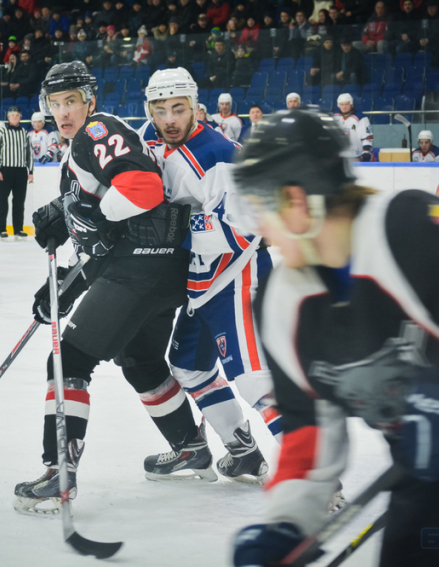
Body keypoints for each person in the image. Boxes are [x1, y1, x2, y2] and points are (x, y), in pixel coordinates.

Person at [229, 109, 439, 567]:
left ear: (295, 199)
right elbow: (308, 423)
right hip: (426, 464)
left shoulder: (412, 226)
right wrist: (287, 523)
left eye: (260, 206)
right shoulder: (279, 299)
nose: (258, 226)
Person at [17, 61, 208, 513]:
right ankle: (190, 447)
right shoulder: (81, 146)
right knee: (140, 359)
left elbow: (142, 190)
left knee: (70, 359)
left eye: (72, 102)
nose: (63, 113)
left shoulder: (96, 133)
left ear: (91, 101)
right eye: (55, 104)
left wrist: (74, 214)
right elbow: (101, 230)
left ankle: (58, 470)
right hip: (161, 270)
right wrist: (65, 284)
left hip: (139, 269)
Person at [141, 68, 281, 483]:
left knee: (255, 380)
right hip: (200, 284)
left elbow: (243, 230)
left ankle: (313, 475)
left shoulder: (217, 154)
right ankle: (244, 453)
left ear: (195, 107)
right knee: (189, 368)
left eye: (178, 109)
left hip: (238, 276)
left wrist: (175, 226)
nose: (169, 119)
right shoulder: (148, 135)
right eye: (160, 110)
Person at [333, 93, 373, 161]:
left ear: (352, 105)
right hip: (340, 159)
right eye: (342, 104)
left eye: (346, 104)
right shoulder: (335, 117)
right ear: (338, 105)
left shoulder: (361, 118)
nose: (344, 107)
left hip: (356, 158)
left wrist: (364, 157)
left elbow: (367, 139)